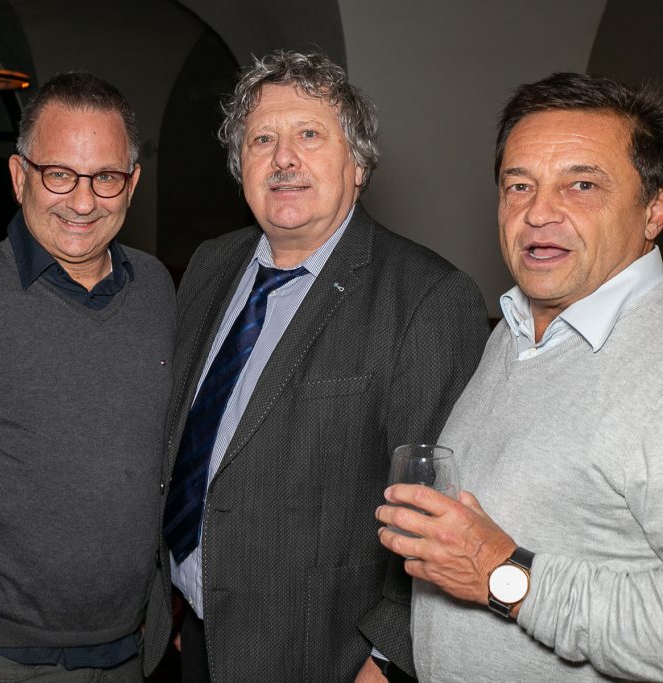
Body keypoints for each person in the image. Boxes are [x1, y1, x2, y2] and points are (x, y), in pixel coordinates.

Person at [157, 49, 489, 682]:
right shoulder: (210, 265)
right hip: (197, 635)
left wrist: (386, 660)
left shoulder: (426, 298)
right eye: (262, 140)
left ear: (357, 164)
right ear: (241, 166)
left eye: (309, 134)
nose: (284, 158)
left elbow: (436, 507)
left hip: (325, 656)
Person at [377, 72, 663, 681]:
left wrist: (503, 575)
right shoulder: (514, 328)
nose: (538, 212)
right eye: (519, 185)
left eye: (581, 185)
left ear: (654, 211)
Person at [0, 72, 176, 682]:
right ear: (18, 176)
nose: (82, 202)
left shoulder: (157, 290)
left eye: (105, 177)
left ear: (132, 183)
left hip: (128, 652)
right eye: (59, 174)